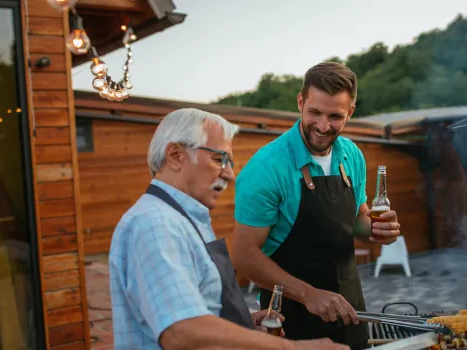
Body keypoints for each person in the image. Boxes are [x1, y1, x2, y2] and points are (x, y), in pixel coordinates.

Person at [108, 108, 350, 350]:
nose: (230, 174)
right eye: (218, 159)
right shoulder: (156, 224)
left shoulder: (184, 219)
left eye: (229, 162)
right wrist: (294, 348)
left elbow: (196, 306)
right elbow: (181, 332)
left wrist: (240, 323)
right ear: (175, 155)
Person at [232, 62, 402, 349]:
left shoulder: (352, 155)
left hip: (351, 309)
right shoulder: (266, 168)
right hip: (290, 321)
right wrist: (308, 294)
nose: (323, 126)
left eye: (335, 116)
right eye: (315, 113)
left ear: (350, 112)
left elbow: (356, 218)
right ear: (301, 102)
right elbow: (244, 256)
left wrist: (377, 228)